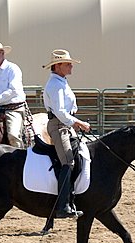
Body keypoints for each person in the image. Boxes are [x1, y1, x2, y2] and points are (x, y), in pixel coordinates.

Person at [42, 49, 91, 218]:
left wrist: (74, 122)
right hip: (59, 126)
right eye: (68, 63)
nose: (71, 66)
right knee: (68, 162)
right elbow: (61, 112)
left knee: (77, 158)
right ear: (58, 66)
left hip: (66, 125)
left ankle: (71, 199)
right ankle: (62, 206)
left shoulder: (61, 81)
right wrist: (79, 123)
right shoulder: (55, 85)